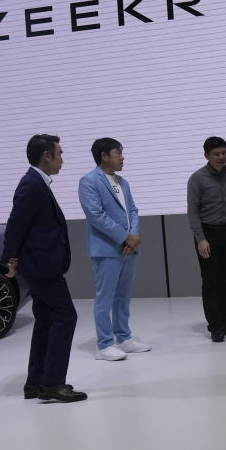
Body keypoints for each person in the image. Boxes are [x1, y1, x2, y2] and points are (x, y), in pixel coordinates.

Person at [1, 134, 87, 402]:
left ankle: (35, 382)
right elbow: (16, 225)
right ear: (46, 156)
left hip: (41, 265)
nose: (62, 159)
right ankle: (52, 384)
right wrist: (9, 260)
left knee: (47, 321)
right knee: (66, 317)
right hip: (42, 268)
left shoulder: (37, 183)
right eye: (59, 153)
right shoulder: (31, 185)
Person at [78, 138, 151, 361]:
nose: (122, 157)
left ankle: (124, 337)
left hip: (128, 248)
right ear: (104, 155)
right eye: (118, 153)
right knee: (105, 298)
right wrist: (125, 237)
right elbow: (96, 216)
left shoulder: (123, 182)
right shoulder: (88, 181)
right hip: (107, 249)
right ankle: (104, 344)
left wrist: (134, 237)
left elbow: (134, 211)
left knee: (123, 296)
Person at [188, 136, 226, 342]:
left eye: (224, 153)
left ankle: (225, 320)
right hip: (207, 235)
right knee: (211, 281)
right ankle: (215, 326)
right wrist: (200, 238)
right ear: (206, 156)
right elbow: (193, 211)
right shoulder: (197, 178)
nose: (221, 157)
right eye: (216, 154)